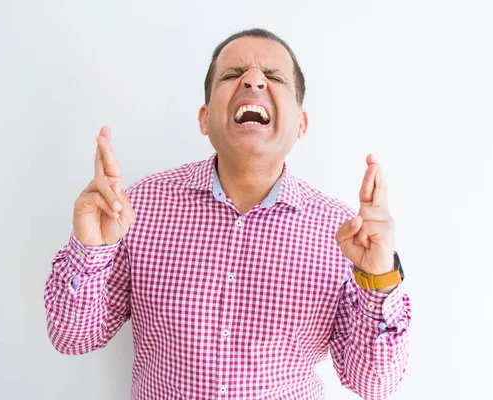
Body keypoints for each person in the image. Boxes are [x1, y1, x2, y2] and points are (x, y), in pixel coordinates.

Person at [44, 28, 412, 400]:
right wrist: (90, 249)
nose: (253, 80)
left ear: (300, 124)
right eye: (233, 74)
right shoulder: (140, 206)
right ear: (204, 119)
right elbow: (72, 337)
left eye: (274, 76)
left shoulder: (344, 233)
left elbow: (374, 385)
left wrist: (379, 277)